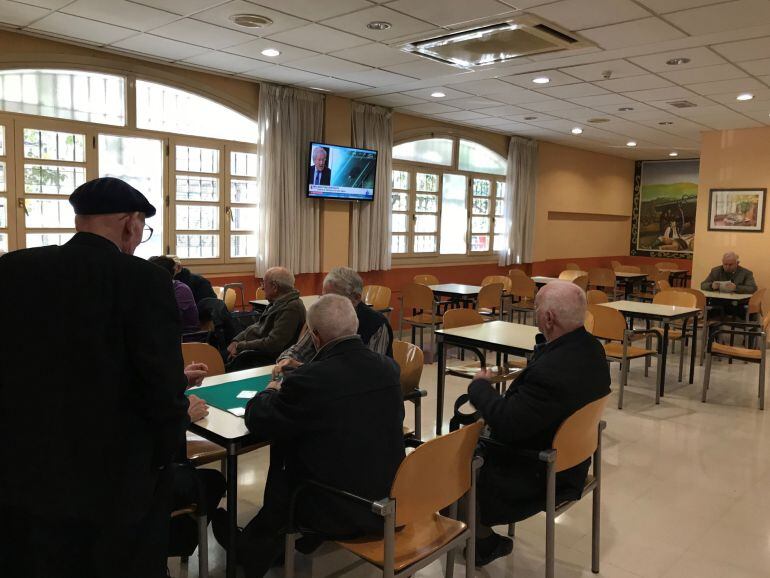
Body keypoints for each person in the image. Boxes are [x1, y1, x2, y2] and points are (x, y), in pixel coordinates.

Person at [0, 177, 190, 578]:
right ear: (131, 224)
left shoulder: (13, 269)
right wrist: (167, 452)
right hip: (116, 479)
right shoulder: (144, 280)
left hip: (25, 468)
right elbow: (162, 384)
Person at [213, 295, 405, 577]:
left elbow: (258, 418)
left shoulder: (311, 380)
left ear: (314, 336)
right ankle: (269, 540)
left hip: (335, 504)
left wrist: (271, 388)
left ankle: (252, 549)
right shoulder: (388, 368)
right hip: (389, 492)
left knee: (287, 460)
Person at [467, 281, 611, 566]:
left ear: (548, 318)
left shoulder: (551, 372)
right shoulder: (593, 350)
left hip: (537, 470)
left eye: (536, 309)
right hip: (574, 460)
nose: (534, 314)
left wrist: (480, 388)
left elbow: (507, 424)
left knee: (450, 462)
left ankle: (480, 539)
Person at [273, 266, 392, 377]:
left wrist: (306, 368)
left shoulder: (377, 324)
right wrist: (286, 360)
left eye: (334, 298)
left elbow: (369, 373)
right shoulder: (323, 316)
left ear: (356, 298)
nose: (326, 304)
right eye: (324, 297)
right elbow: (299, 350)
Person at [226, 267, 306, 371]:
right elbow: (257, 325)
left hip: (264, 357)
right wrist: (236, 340)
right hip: (251, 348)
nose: (262, 288)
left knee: (219, 362)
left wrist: (241, 346)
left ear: (274, 287)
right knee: (219, 355)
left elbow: (273, 343)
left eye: (264, 283)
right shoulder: (276, 302)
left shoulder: (291, 308)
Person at [149, 255, 200, 333]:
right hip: (167, 334)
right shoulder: (157, 288)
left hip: (186, 337)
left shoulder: (181, 290)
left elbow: (169, 320)